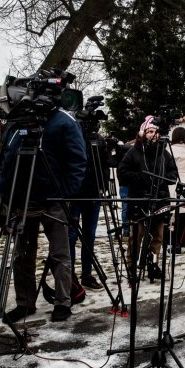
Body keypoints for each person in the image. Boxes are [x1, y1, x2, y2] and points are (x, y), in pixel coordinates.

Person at [0, 106, 86, 323]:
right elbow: (6, 159)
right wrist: (7, 194)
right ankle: (24, 303)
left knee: (60, 253)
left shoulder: (63, 121)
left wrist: (65, 194)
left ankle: (63, 302)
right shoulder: (17, 122)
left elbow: (77, 161)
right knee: (22, 254)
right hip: (23, 199)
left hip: (54, 198)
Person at [117, 116, 177, 281]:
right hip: (139, 201)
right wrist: (141, 178)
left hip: (161, 200)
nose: (153, 135)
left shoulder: (164, 152)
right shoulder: (134, 151)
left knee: (157, 236)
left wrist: (163, 178)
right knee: (137, 236)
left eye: (155, 132)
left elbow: (173, 174)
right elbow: (122, 172)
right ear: (143, 133)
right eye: (150, 131)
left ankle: (153, 264)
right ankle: (131, 267)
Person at [68, 123, 110, 290]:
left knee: (89, 236)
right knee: (71, 236)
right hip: (75, 194)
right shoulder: (72, 136)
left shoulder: (99, 140)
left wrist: (103, 187)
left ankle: (87, 274)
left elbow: (105, 165)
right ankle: (69, 276)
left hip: (93, 193)